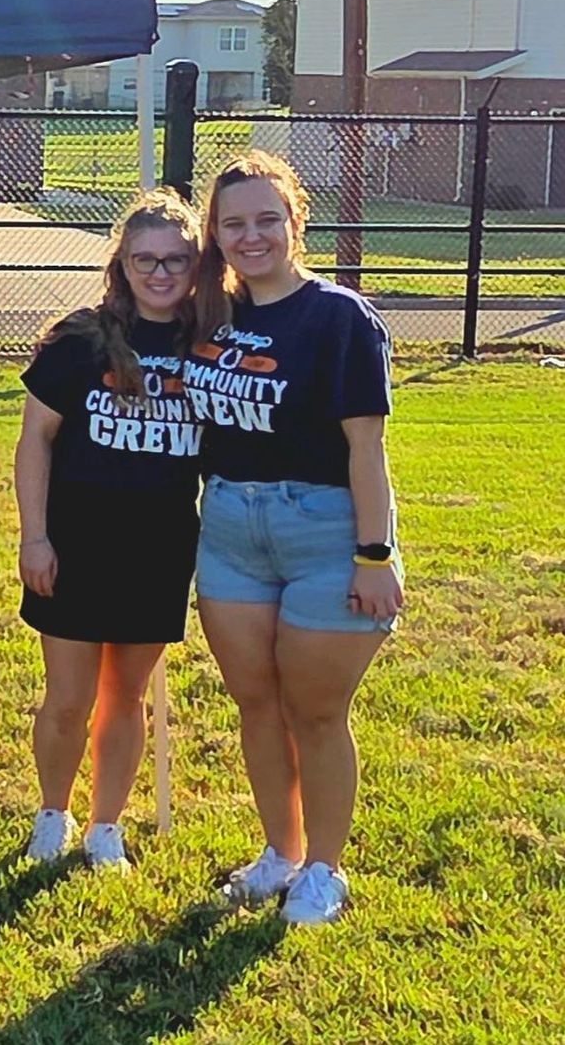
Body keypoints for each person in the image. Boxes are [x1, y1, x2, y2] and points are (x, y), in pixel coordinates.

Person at [187, 150, 402, 926]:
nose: (252, 237)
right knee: (255, 702)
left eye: (266, 219)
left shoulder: (338, 316)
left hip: (325, 529)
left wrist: (372, 555)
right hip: (231, 529)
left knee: (315, 712)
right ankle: (280, 851)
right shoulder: (209, 313)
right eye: (233, 223)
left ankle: (324, 869)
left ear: (295, 221)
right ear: (213, 234)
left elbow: (366, 449)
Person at [14, 189, 205, 869]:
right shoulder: (78, 340)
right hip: (75, 547)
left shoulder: (211, 349)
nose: (159, 273)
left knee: (126, 697)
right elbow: (35, 440)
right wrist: (34, 535)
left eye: (175, 260)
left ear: (195, 265)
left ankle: (106, 827)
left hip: (158, 551)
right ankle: (53, 814)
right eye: (143, 260)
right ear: (120, 265)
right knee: (68, 698)